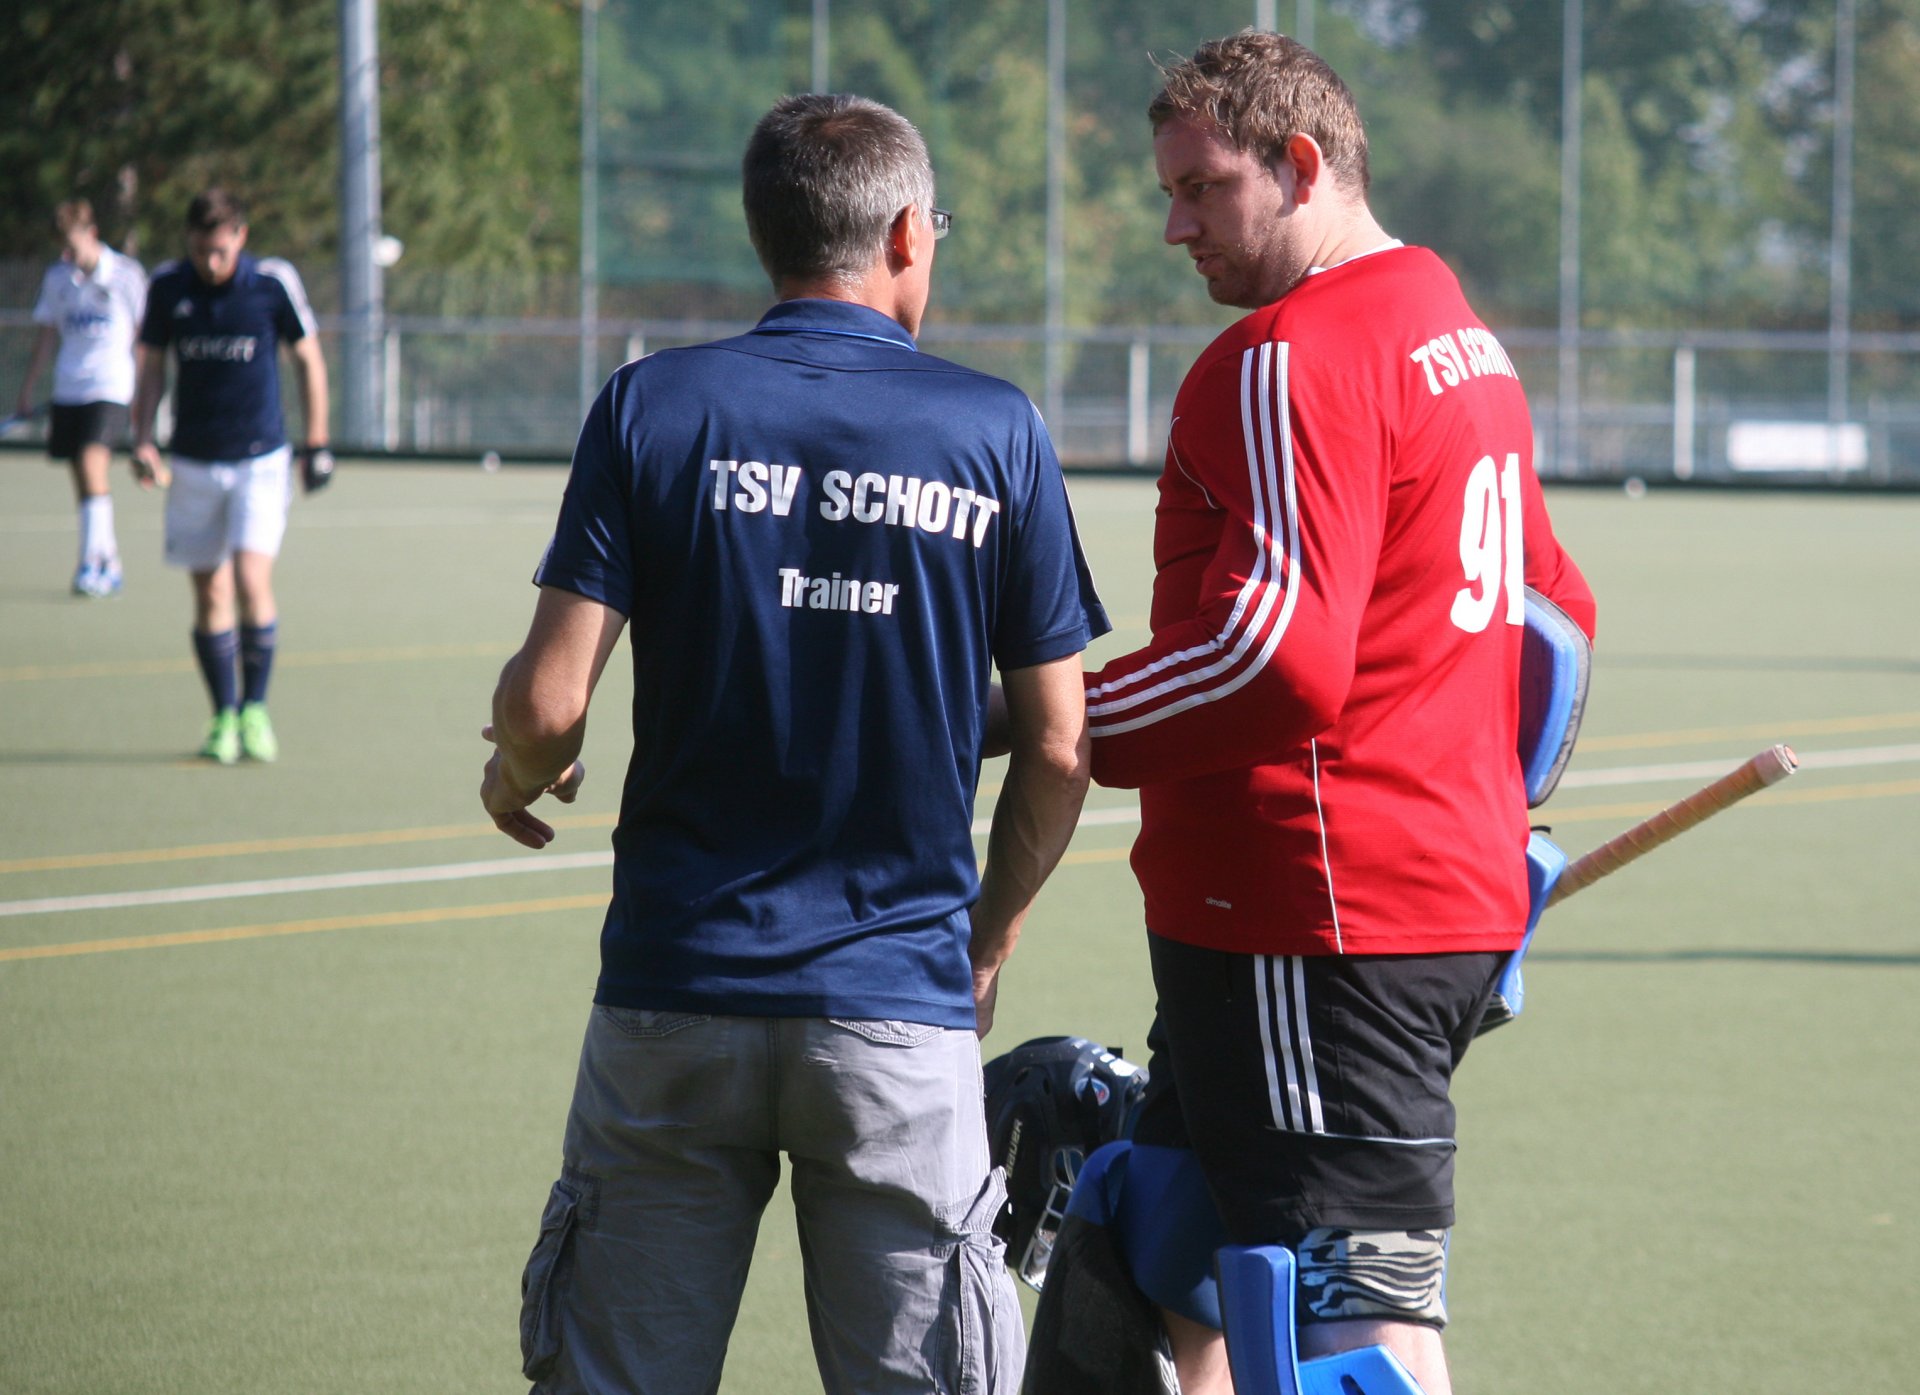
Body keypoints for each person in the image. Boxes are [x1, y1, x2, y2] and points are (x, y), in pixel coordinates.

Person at [482, 93, 1107, 1395]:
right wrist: (988, 939)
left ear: (766, 233)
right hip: (898, 1009)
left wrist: (517, 773)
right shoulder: (996, 429)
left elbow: (546, 707)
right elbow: (1059, 746)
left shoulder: (652, 403)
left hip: (673, 990)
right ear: (903, 235)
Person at [1080, 32, 1598, 1395]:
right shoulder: (1455, 330)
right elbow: (1557, 619)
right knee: (1176, 1253)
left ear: (1301, 165)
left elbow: (1274, 660)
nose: (1177, 227)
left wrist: (1058, 718)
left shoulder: (1287, 352)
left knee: (1349, 1327)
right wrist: (1477, 826)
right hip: (1389, 910)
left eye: (1203, 188)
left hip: (1314, 924)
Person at [131, 188, 332, 765]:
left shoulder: (271, 283)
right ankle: (223, 714)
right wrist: (142, 437)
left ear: (241, 236)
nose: (210, 262)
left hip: (260, 460)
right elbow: (151, 367)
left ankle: (255, 710)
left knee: (249, 580)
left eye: (220, 250)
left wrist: (317, 443)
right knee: (209, 592)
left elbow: (309, 361)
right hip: (193, 461)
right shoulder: (169, 287)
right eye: (200, 250)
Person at [16, 199, 152, 597]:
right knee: (82, 478)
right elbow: (47, 336)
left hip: (111, 387)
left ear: (92, 234)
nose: (67, 256)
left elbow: (144, 339)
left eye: (72, 247)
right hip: (69, 389)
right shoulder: (58, 278)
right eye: (62, 248)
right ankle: (109, 560)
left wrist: (143, 393)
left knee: (93, 465)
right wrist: (28, 388)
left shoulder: (126, 275)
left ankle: (91, 564)